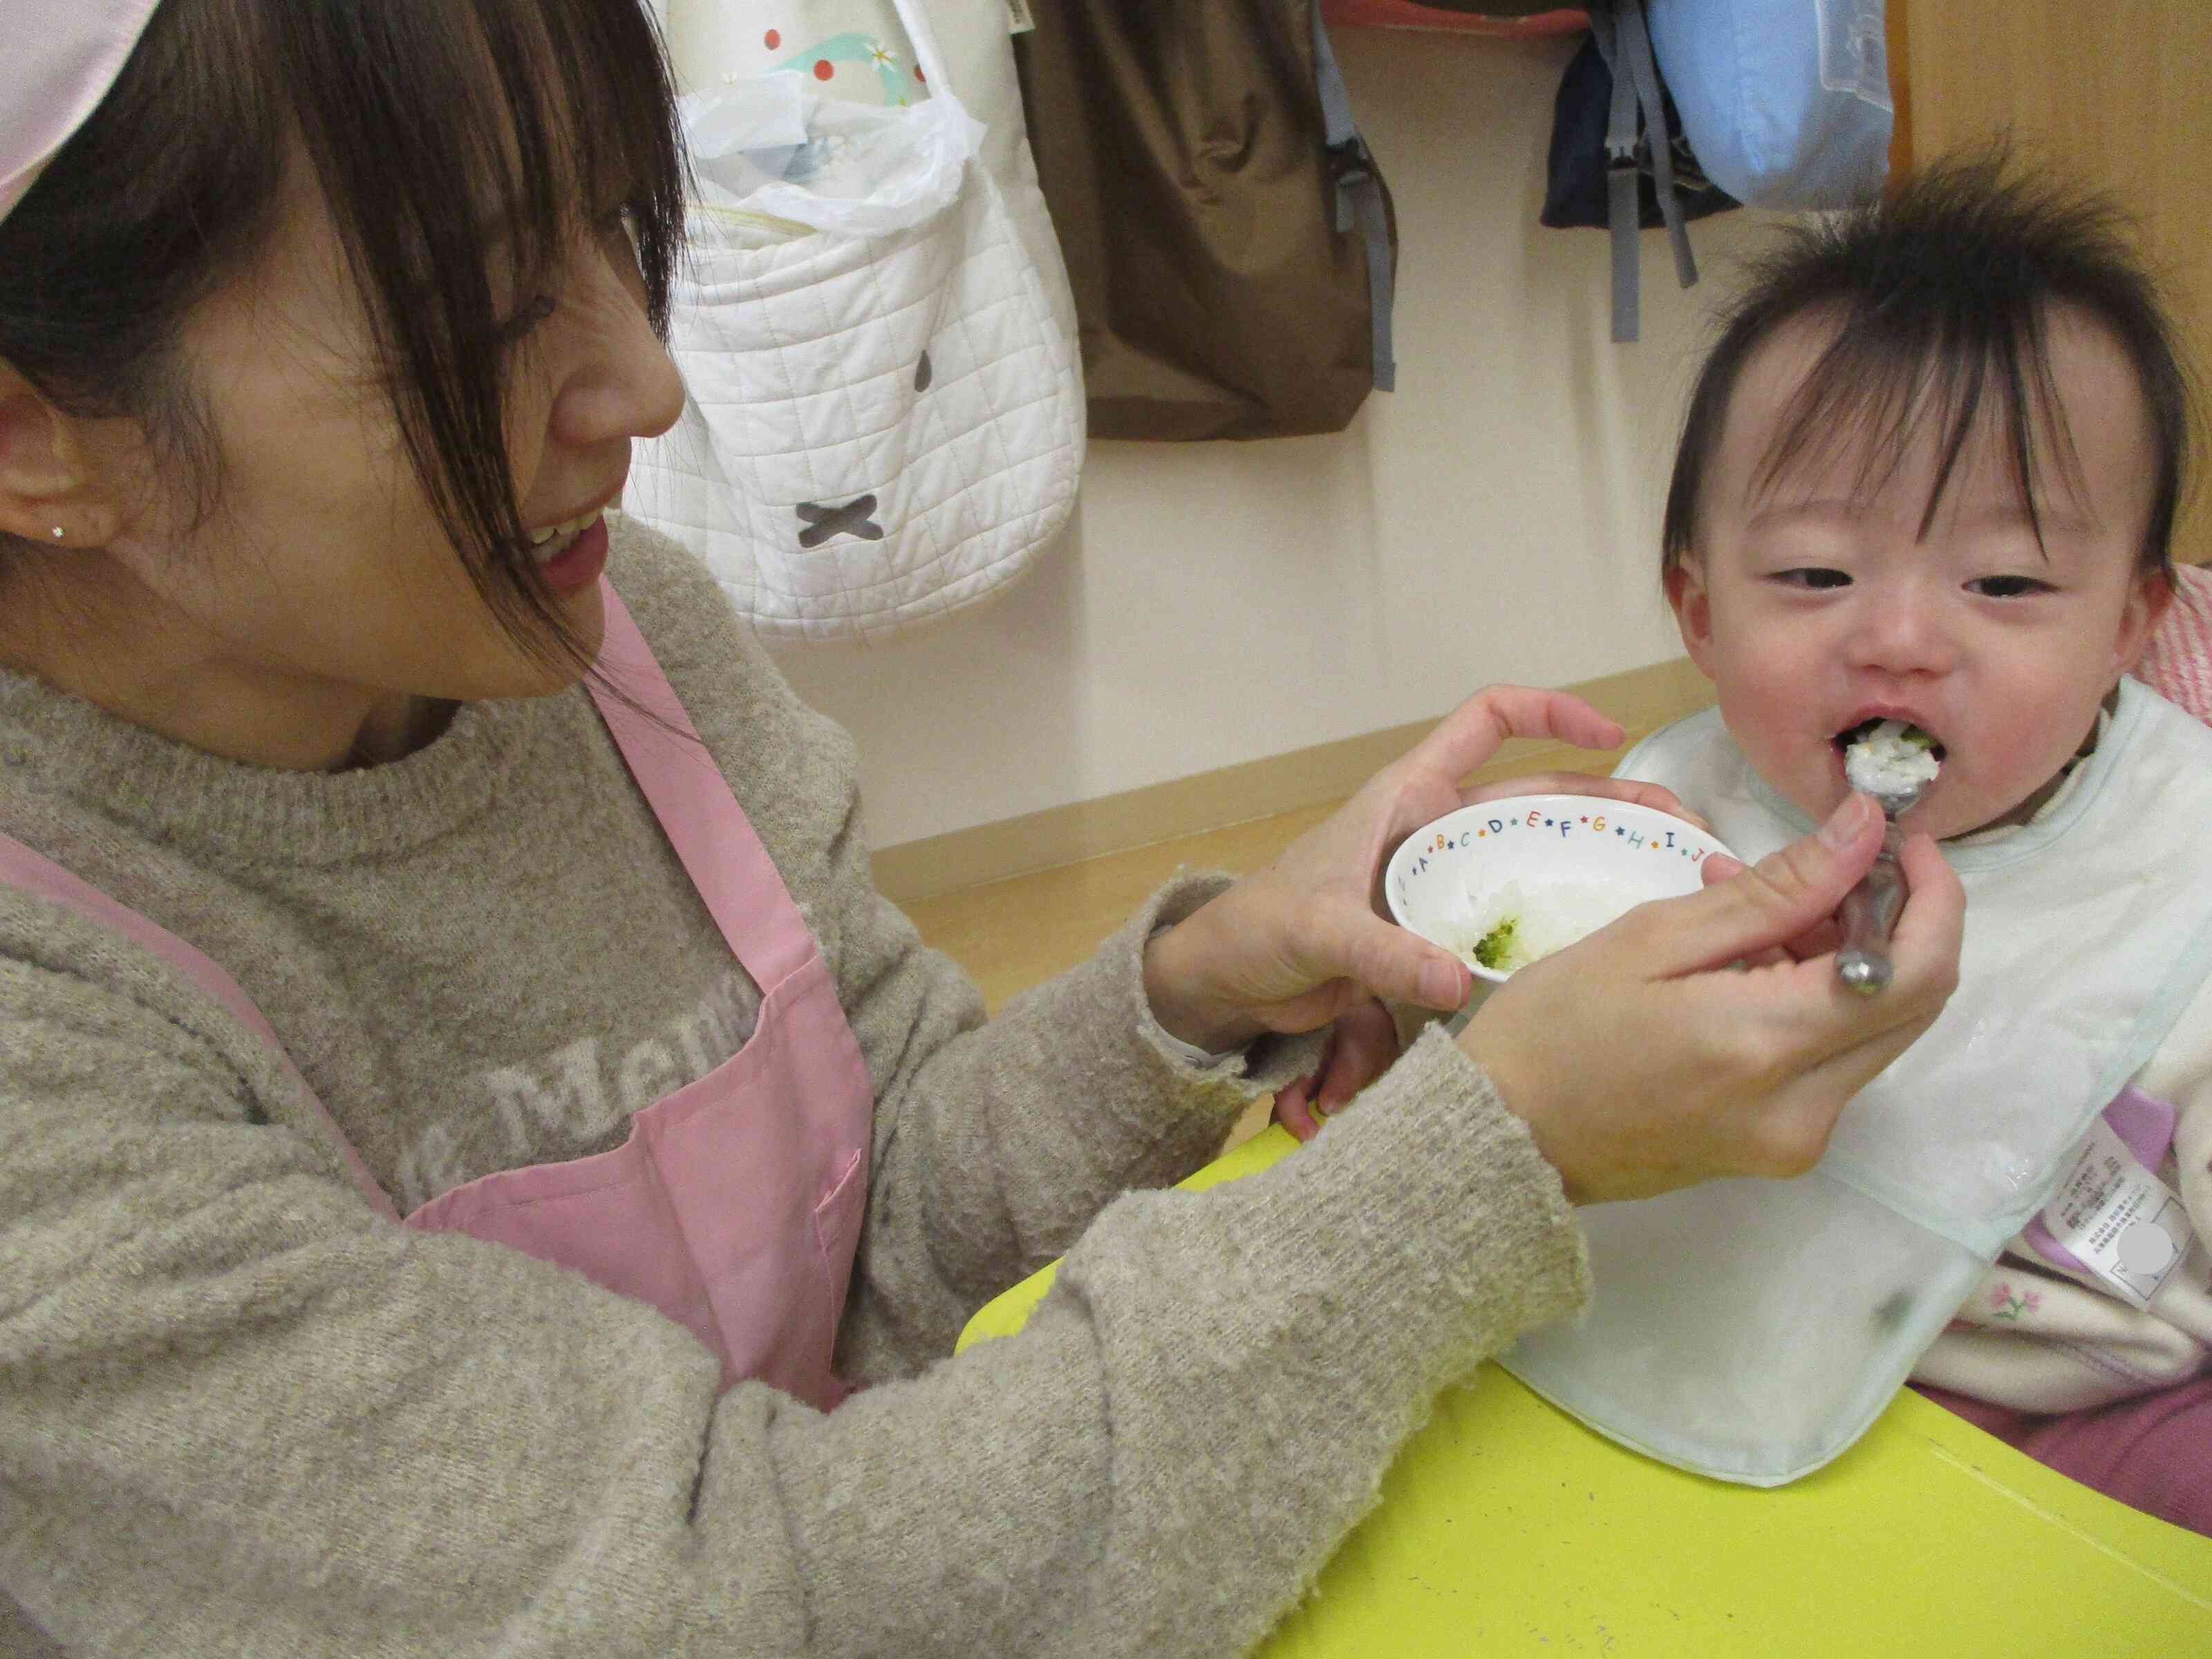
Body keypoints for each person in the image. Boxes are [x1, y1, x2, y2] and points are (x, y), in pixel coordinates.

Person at [0, 3, 1962, 1654]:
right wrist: (1489, 1150)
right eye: (487, 306)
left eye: (618, 228)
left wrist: (1194, 989)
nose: (646, 384)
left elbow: (886, 1216)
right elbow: (745, 1601)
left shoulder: (619, 637)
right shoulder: (46, 1041)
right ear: (33, 431)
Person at [1610, 153, 2212, 1532]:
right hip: (1720, 1319)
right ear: (1700, 614)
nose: (1896, 640)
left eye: (2004, 581)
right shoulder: (1669, 814)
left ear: (2128, 630)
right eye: (1814, 573)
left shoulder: (2181, 865)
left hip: (2086, 1397)